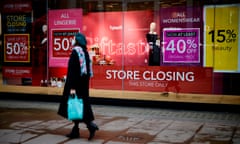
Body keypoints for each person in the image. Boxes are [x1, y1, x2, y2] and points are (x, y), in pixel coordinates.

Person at [58, 32, 99, 140]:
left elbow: (72, 71)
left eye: (74, 39)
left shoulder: (75, 52)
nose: (72, 40)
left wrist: (71, 87)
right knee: (78, 106)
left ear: (77, 41)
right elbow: (87, 70)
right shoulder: (85, 52)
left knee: (75, 106)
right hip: (83, 85)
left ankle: (91, 126)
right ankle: (75, 130)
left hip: (75, 84)